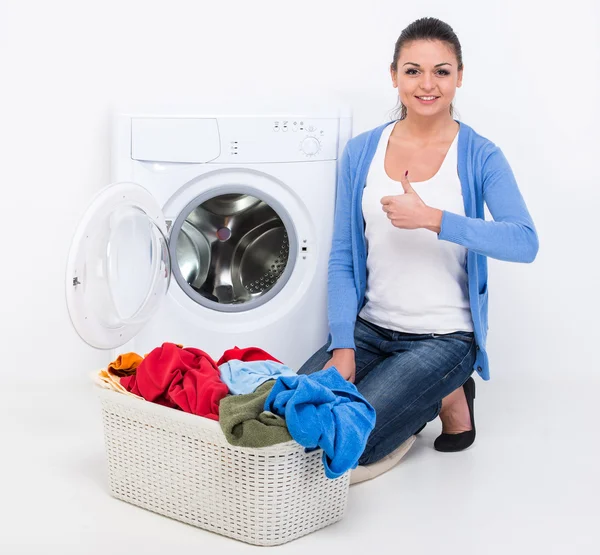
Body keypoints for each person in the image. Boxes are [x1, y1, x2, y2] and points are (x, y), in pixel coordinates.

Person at [297, 17, 539, 483]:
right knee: (294, 418)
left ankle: (449, 387)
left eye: (441, 71)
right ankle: (432, 391)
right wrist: (343, 344)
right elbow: (344, 257)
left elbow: (523, 241)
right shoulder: (361, 151)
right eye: (413, 71)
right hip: (369, 330)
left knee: (350, 444)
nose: (427, 85)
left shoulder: (481, 155)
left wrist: (434, 219)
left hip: (444, 338)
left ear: (460, 77)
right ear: (394, 76)